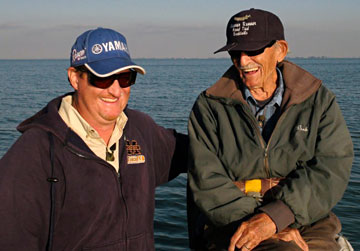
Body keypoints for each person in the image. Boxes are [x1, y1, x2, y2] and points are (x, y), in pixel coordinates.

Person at [0, 27, 187, 250]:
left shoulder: (141, 130)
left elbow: (201, 153)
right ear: (75, 78)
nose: (116, 91)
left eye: (125, 78)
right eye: (103, 78)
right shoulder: (33, 154)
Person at [187, 8, 353, 251]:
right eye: (235, 51)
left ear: (280, 51)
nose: (243, 61)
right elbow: (207, 182)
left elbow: (332, 167)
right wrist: (262, 225)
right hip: (233, 223)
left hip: (309, 220)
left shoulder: (319, 101)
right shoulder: (209, 106)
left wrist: (276, 217)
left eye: (253, 50)